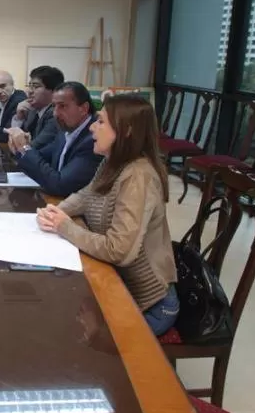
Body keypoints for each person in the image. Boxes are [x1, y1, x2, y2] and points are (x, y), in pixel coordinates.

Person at [36, 95, 179, 336]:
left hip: (147, 303)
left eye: (100, 122)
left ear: (126, 131)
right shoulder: (112, 162)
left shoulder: (138, 177)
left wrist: (66, 228)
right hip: (118, 283)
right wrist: (58, 211)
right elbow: (85, 196)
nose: (92, 126)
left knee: (72, 337)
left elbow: (118, 250)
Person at [11, 81, 103, 197]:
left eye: (62, 106)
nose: (55, 113)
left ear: (84, 108)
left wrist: (25, 148)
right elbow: (39, 157)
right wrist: (22, 147)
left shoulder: (94, 140)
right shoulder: (65, 130)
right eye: (54, 106)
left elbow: (60, 185)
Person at [5, 65, 64, 152]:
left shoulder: (55, 114)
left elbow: (33, 148)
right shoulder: (32, 110)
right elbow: (10, 137)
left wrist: (20, 144)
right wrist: (19, 118)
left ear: (54, 91)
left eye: (36, 87)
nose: (30, 91)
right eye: (29, 86)